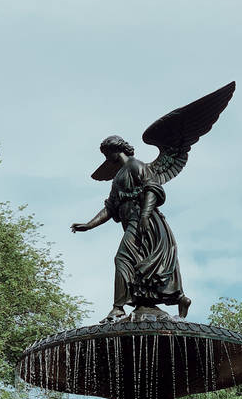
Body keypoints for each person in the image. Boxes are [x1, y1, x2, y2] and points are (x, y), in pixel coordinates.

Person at [72, 136, 190, 322]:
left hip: (145, 222)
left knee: (123, 258)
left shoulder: (136, 165)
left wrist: (144, 215)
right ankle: (177, 298)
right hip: (135, 222)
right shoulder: (119, 175)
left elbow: (152, 188)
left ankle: (118, 308)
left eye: (106, 153)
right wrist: (89, 224)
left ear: (114, 150)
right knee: (142, 266)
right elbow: (110, 207)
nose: (106, 159)